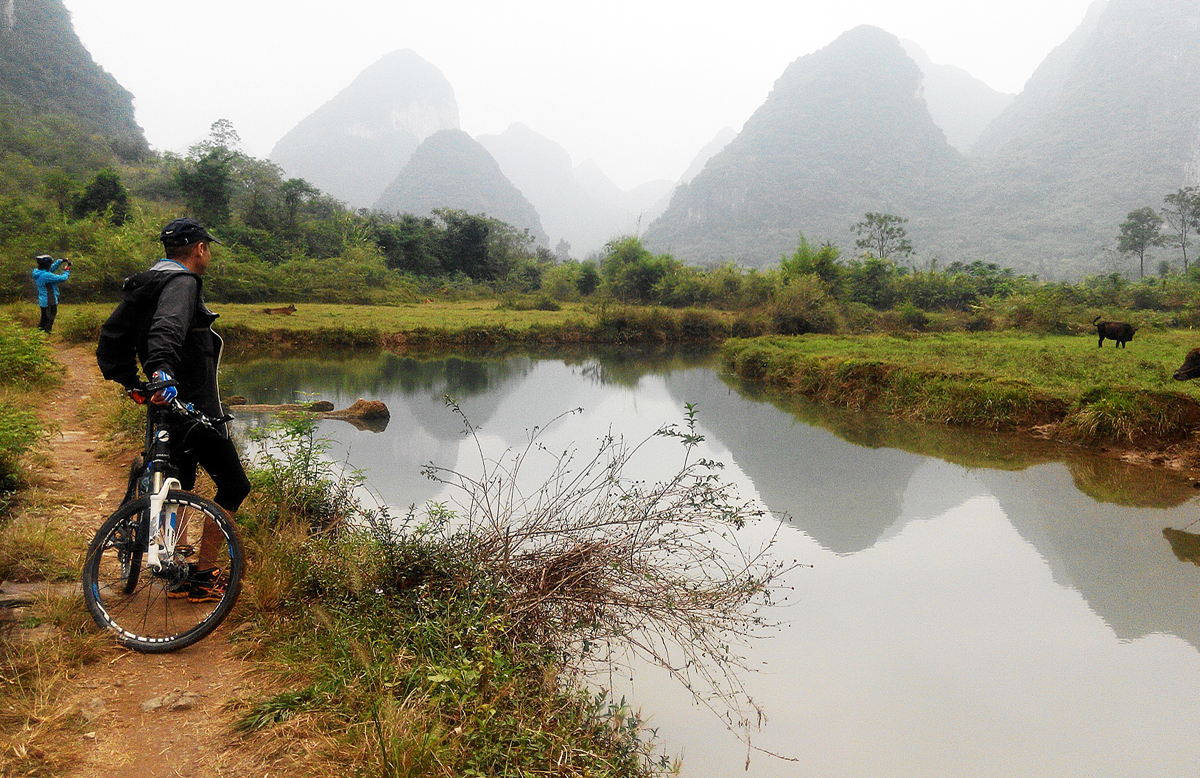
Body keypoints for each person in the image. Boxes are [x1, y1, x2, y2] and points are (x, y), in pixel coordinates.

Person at [96, 217, 251, 603]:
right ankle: (202, 575)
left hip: (162, 407)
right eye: (208, 248)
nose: (208, 254)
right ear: (199, 249)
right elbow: (167, 328)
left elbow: (112, 336)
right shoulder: (183, 283)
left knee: (179, 482)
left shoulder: (146, 283)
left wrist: (131, 381)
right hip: (192, 408)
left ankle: (176, 563)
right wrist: (162, 371)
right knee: (234, 485)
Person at [32, 254, 71, 333]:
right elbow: (62, 278)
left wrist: (60, 261)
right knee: (49, 320)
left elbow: (51, 269)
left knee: (44, 319)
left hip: (43, 301)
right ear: (47, 265)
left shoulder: (39, 272)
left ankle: (38, 335)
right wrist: (67, 271)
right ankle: (46, 335)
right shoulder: (46, 275)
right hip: (50, 301)